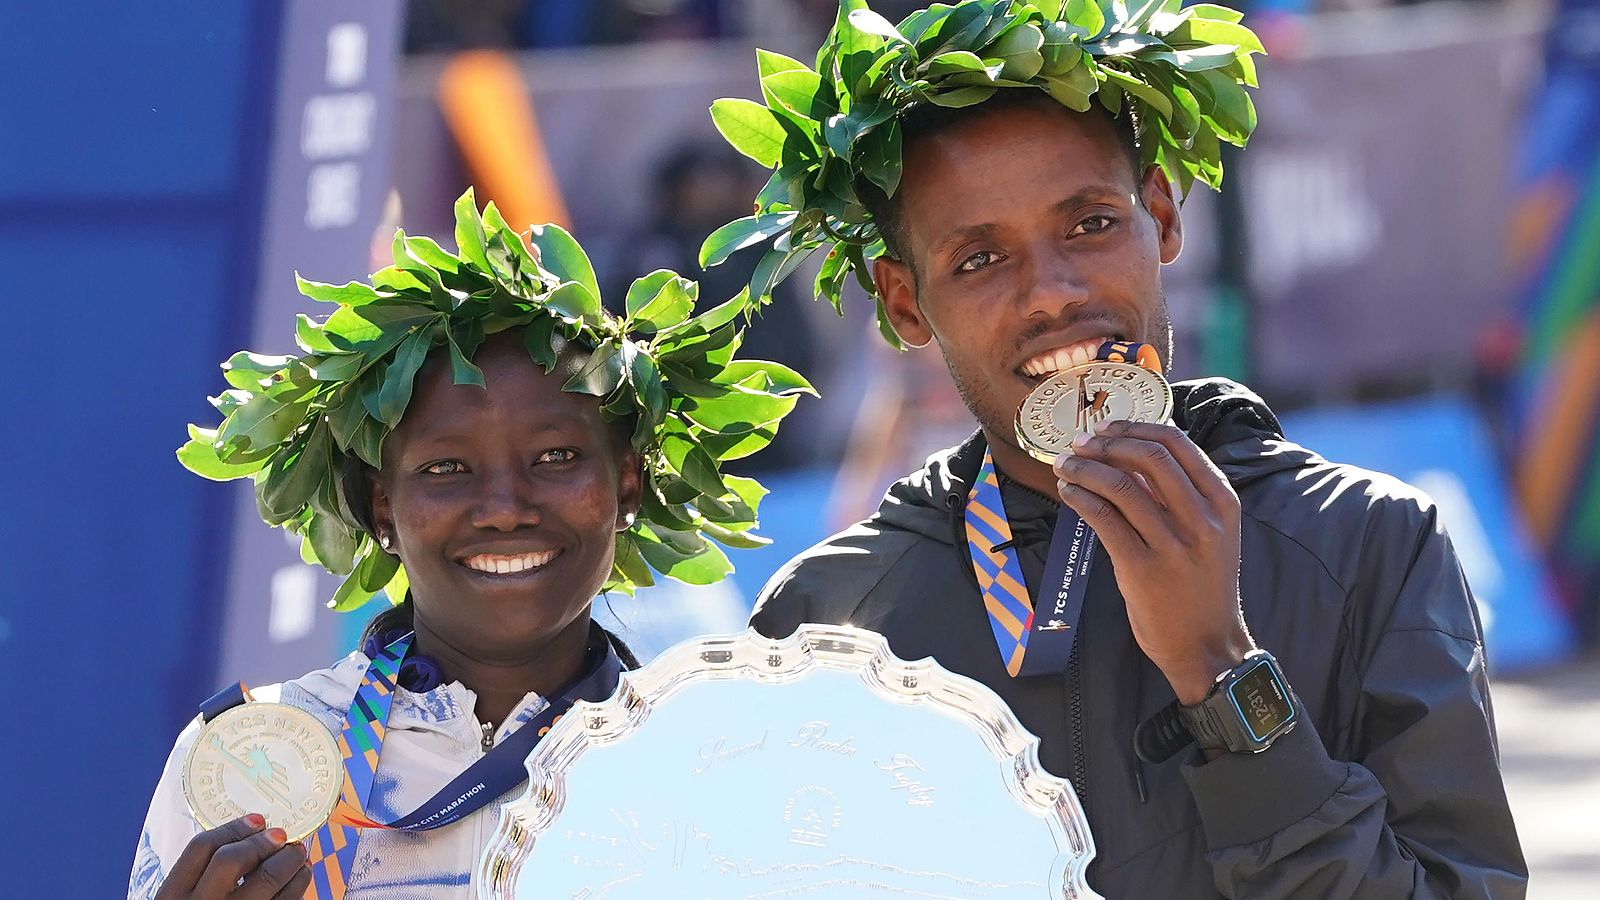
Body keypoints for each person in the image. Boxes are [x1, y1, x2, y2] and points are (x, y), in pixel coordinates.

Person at [706, 1, 1526, 896]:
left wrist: (1221, 671)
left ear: (1162, 217)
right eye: (979, 260)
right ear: (905, 303)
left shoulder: (1370, 545)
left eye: (1091, 224)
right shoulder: (834, 620)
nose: (1052, 294)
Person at [129, 189, 806, 899]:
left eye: (555, 458)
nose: (505, 510)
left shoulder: (718, 768)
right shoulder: (248, 764)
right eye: (446, 468)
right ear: (383, 507)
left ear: (628, 484)